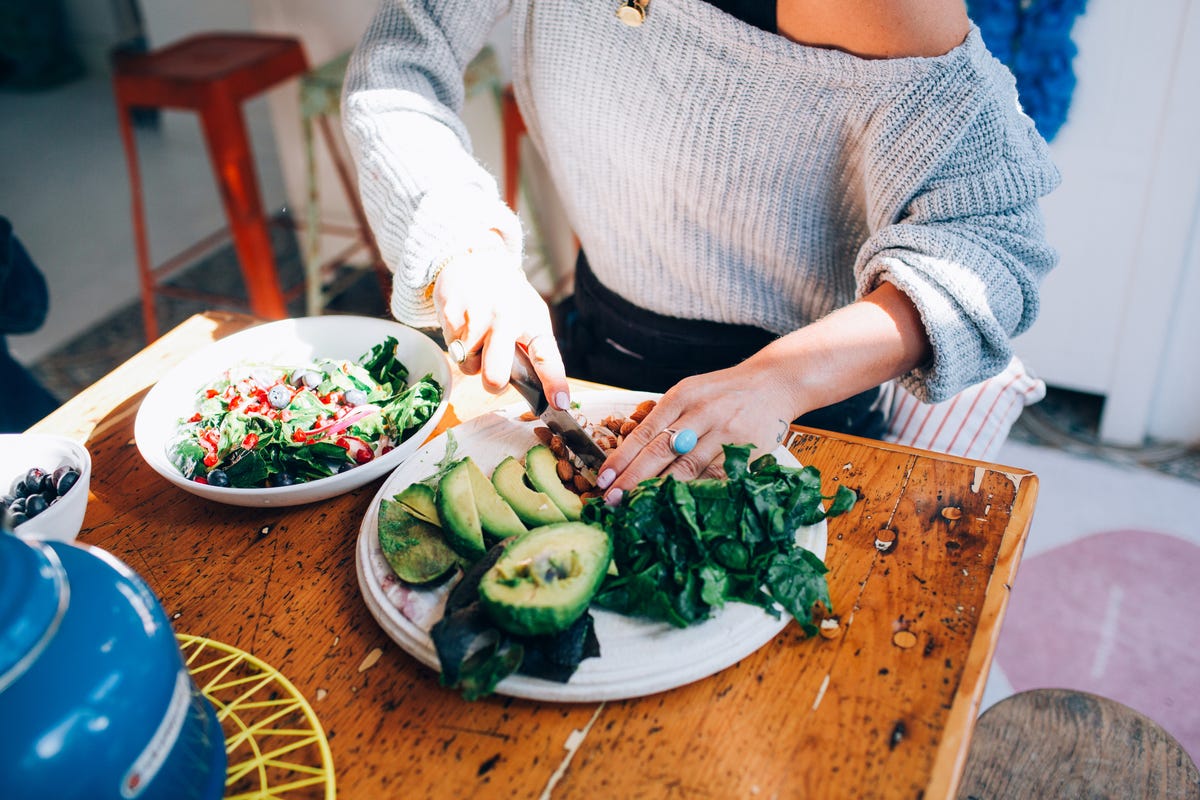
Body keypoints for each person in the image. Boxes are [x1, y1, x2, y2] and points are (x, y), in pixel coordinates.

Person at [341, 0, 1060, 504]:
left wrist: (777, 382)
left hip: (798, 428)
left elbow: (994, 242)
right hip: (595, 372)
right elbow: (398, 64)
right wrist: (463, 242)